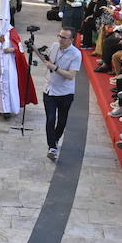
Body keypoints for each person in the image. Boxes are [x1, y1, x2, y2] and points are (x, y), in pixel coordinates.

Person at [43, 28, 81, 162]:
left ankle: (56, 138)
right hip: (49, 89)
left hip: (65, 92)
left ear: (71, 40)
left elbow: (71, 75)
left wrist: (55, 68)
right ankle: (52, 146)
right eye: (59, 36)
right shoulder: (54, 46)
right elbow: (47, 59)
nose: (60, 40)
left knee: (62, 120)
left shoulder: (76, 54)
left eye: (64, 38)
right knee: (50, 118)